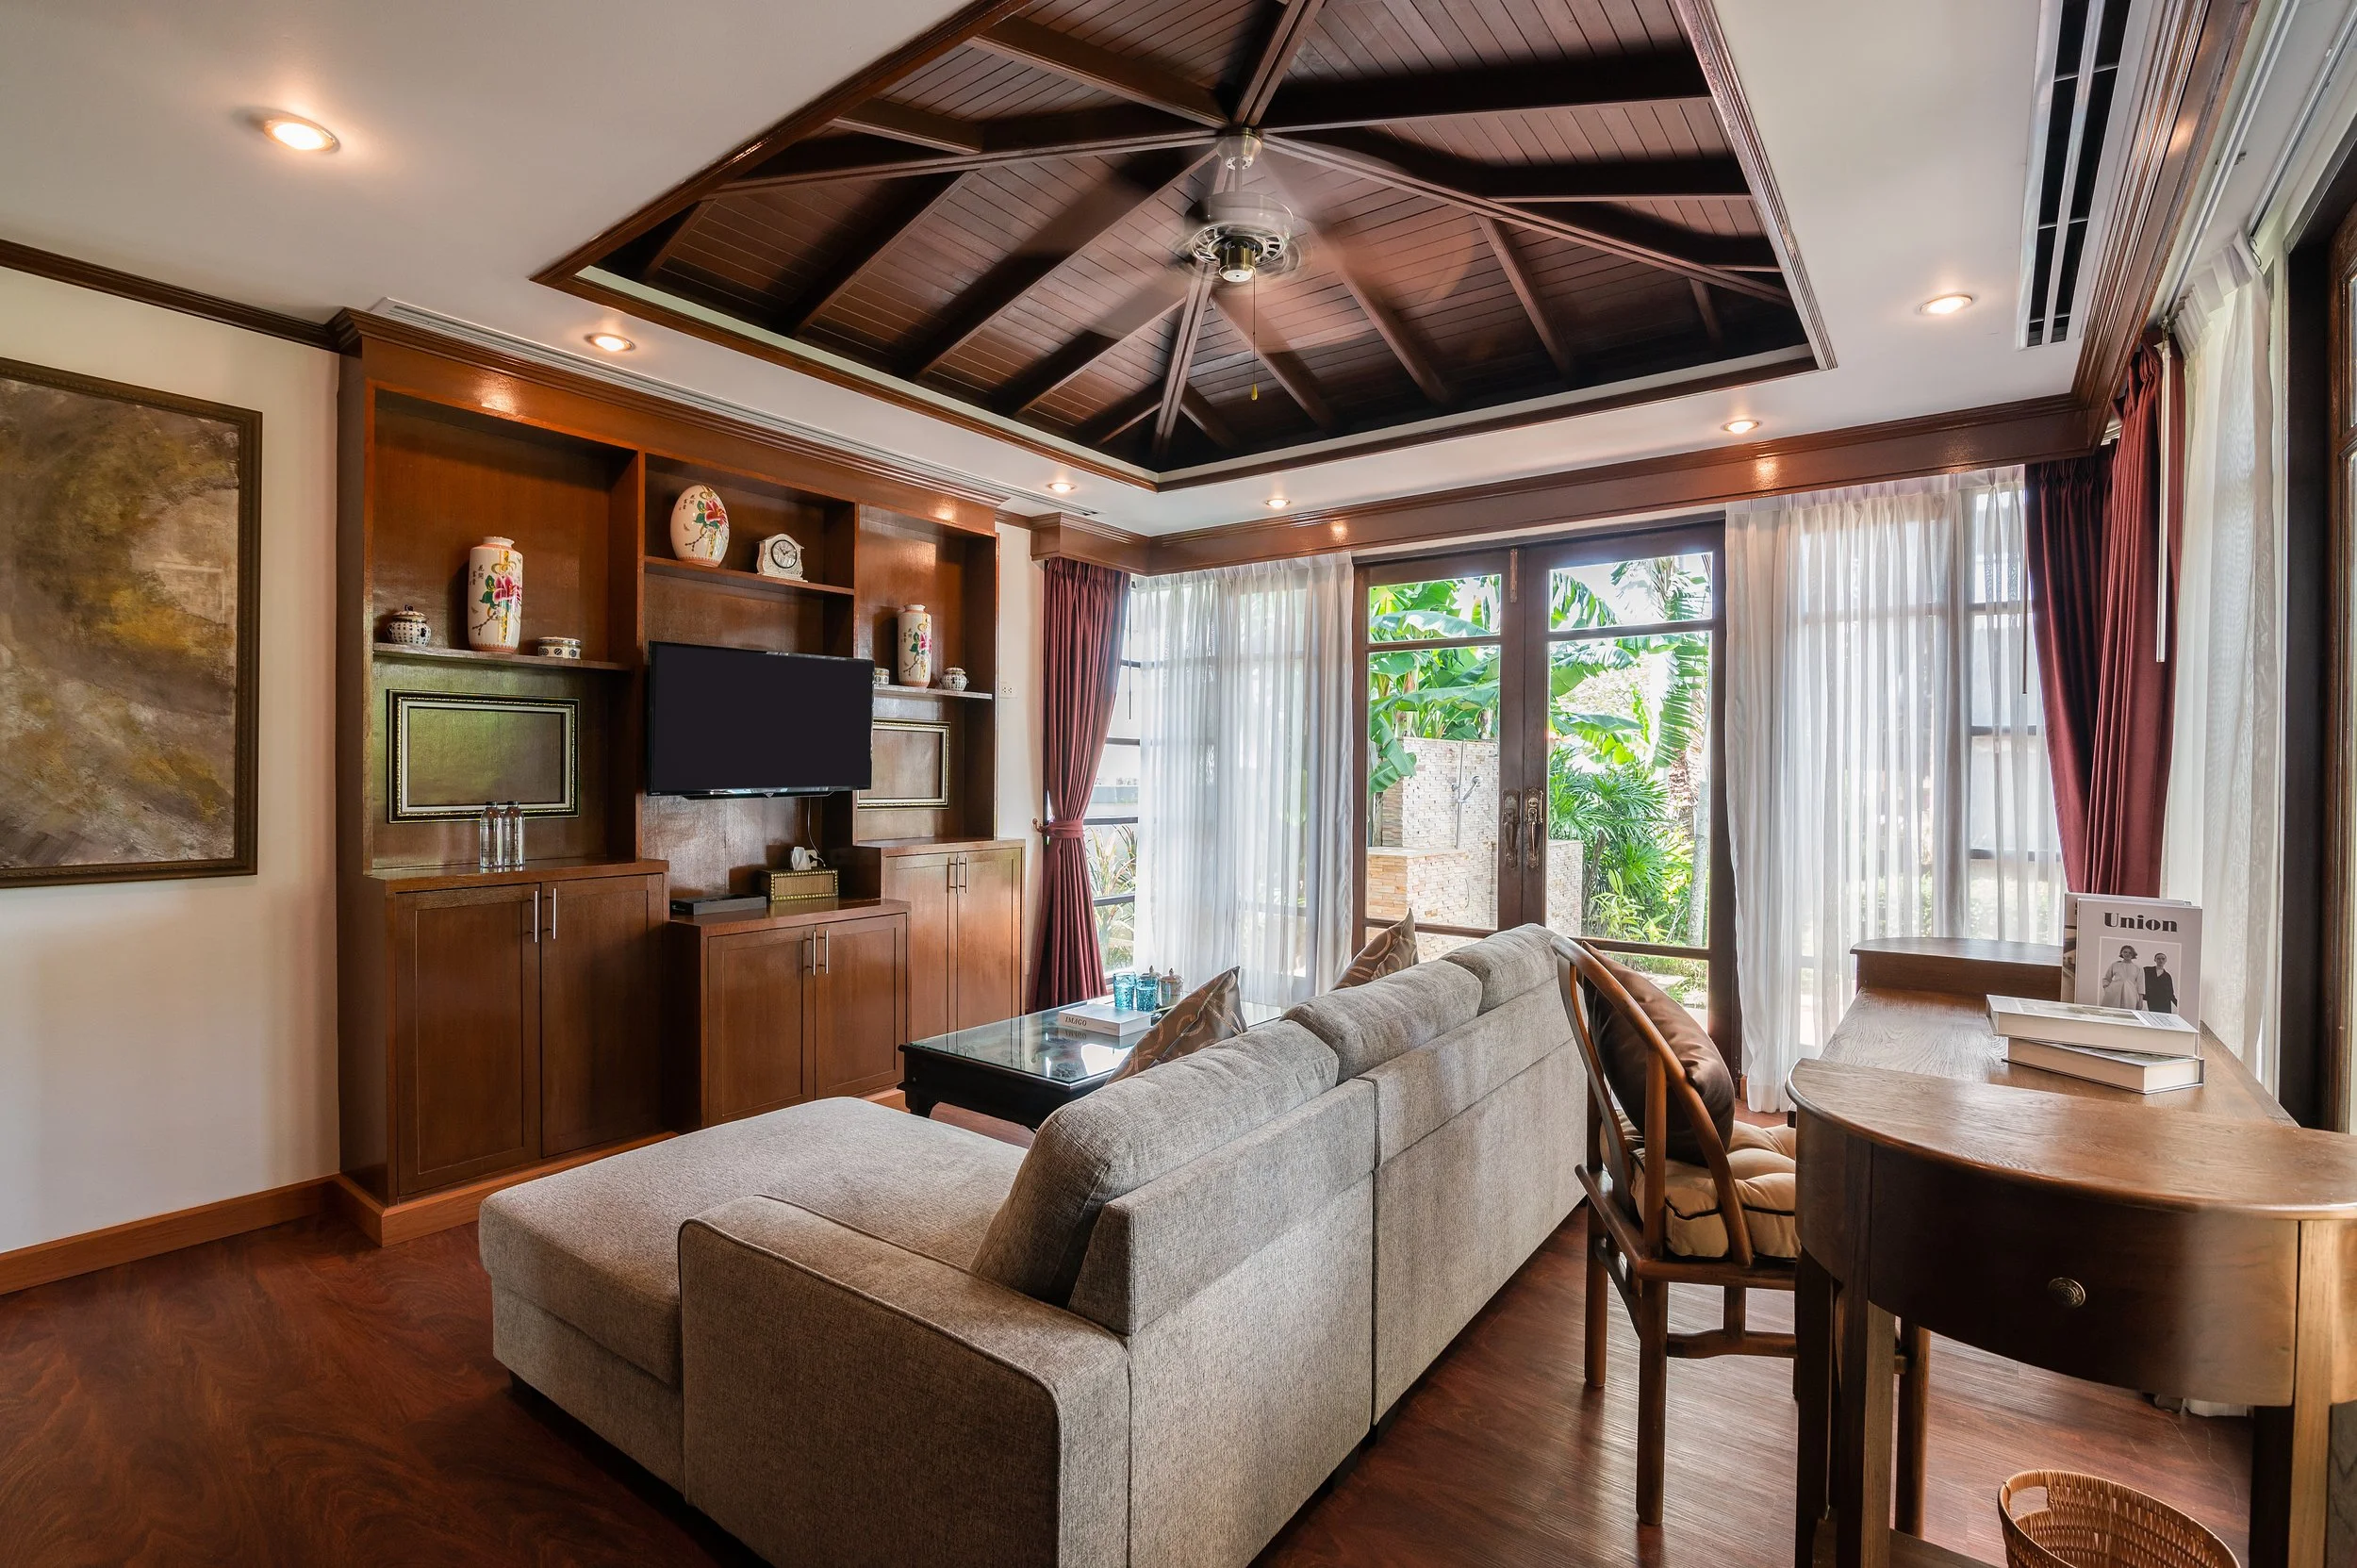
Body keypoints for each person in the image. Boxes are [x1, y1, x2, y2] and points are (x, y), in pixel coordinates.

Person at [2100, 945, 2141, 1009]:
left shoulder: (2137, 968)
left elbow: (2141, 985)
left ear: (2133, 954)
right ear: (2121, 953)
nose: (2127, 954)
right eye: (2125, 952)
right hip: (2114, 993)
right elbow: (2106, 979)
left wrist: (2140, 1001)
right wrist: (2107, 989)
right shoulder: (2115, 965)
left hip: (2130, 994)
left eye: (2130, 953)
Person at [2143, 951, 2178, 1015]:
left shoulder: (2167, 976)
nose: (2160, 960)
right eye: (2158, 958)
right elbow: (2137, 972)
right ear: (2155, 960)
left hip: (2165, 1003)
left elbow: (2170, 993)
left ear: (2165, 961)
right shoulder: (2147, 970)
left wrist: (2178, 1005)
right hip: (2152, 1000)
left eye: (2163, 959)